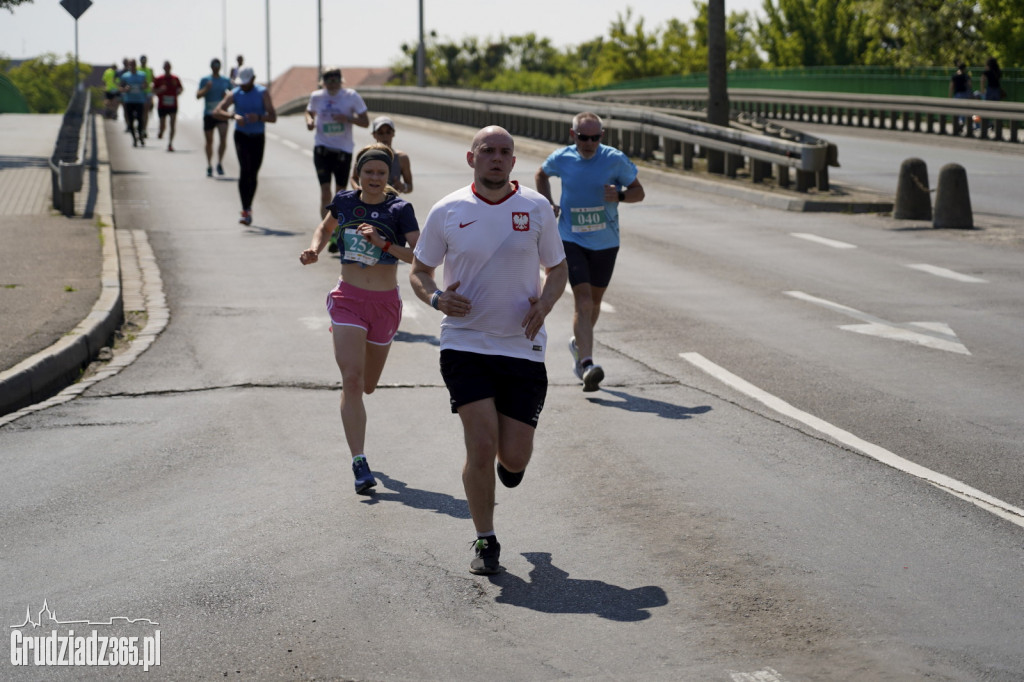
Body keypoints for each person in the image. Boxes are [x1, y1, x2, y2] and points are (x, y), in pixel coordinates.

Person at [409, 126, 568, 575]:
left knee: (512, 456)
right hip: (465, 345)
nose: (496, 158)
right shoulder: (448, 209)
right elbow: (420, 271)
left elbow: (557, 269)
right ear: (471, 158)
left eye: (504, 152)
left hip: (523, 347)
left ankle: (509, 468)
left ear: (513, 162)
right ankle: (486, 540)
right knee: (481, 443)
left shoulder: (536, 208)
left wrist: (548, 302)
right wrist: (437, 298)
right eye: (488, 151)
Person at [299, 144, 420, 494]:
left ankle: (360, 449)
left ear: (389, 177)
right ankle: (359, 461)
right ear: (358, 174)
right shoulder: (345, 201)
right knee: (352, 381)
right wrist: (314, 250)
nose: (375, 178)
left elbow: (418, 256)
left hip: (383, 305)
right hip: (347, 300)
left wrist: (383, 244)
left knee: (367, 385)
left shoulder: (400, 209)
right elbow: (324, 229)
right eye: (369, 172)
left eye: (382, 173)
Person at [534, 112, 644, 392]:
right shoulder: (563, 158)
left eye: (595, 138)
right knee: (582, 301)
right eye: (584, 137)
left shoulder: (614, 159)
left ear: (602, 137)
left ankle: (578, 344)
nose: (589, 143)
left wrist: (619, 195)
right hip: (571, 238)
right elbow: (541, 173)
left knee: (594, 303)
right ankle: (587, 364)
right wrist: (548, 202)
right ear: (573, 136)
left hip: (606, 241)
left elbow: (638, 192)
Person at [305, 66, 369, 249]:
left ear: (341, 80)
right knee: (325, 192)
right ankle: (330, 232)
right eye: (328, 79)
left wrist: (348, 119)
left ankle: (339, 231)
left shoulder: (351, 96)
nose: (332, 83)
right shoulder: (317, 96)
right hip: (322, 149)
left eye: (335, 79)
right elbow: (309, 111)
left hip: (343, 150)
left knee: (340, 195)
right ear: (323, 81)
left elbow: (365, 121)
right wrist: (310, 121)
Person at [213, 65, 277, 226]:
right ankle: (245, 209)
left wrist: (259, 117)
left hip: (257, 136)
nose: (243, 86)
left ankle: (249, 206)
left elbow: (273, 117)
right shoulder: (235, 93)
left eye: (245, 83)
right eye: (241, 83)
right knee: (244, 170)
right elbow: (217, 111)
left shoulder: (262, 92)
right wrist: (233, 116)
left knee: (253, 172)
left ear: (253, 80)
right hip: (241, 136)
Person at [352, 116, 413, 194]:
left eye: (388, 132)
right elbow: (354, 178)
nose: (385, 136)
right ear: (374, 134)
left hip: (391, 203)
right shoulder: (364, 155)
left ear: (393, 133)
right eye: (380, 133)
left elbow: (410, 187)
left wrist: (402, 187)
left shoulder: (402, 158)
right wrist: (358, 188)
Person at [196, 58, 232, 177]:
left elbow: (234, 95)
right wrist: (206, 89)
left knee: (223, 139)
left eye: (218, 65)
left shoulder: (225, 81)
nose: (216, 67)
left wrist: (226, 96)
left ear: (220, 66)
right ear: (211, 66)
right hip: (209, 114)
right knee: (209, 141)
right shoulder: (205, 80)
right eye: (214, 65)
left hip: (222, 114)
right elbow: (198, 95)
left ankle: (220, 163)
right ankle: (209, 165)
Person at [152, 61, 184, 152]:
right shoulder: (159, 79)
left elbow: (181, 88)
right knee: (163, 125)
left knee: (172, 125)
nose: (167, 68)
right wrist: (160, 90)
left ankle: (170, 143)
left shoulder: (175, 78)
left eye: (168, 67)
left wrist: (179, 91)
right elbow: (153, 91)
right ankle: (161, 131)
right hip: (162, 105)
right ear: (163, 68)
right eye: (166, 67)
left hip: (173, 104)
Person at [119, 59, 148, 147]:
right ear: (129, 66)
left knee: (140, 119)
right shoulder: (125, 76)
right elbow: (120, 87)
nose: (132, 66)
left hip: (139, 100)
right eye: (131, 65)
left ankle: (141, 136)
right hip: (129, 100)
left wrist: (143, 86)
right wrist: (125, 89)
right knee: (130, 121)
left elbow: (146, 85)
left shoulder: (142, 75)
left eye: (134, 64)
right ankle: (134, 139)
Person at [138, 55, 155, 140]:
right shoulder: (137, 69)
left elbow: (153, 81)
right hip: (138, 94)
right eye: (142, 61)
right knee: (138, 113)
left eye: (145, 61)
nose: (143, 62)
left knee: (145, 113)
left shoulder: (149, 70)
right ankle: (139, 128)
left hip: (147, 93)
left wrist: (152, 98)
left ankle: (144, 129)